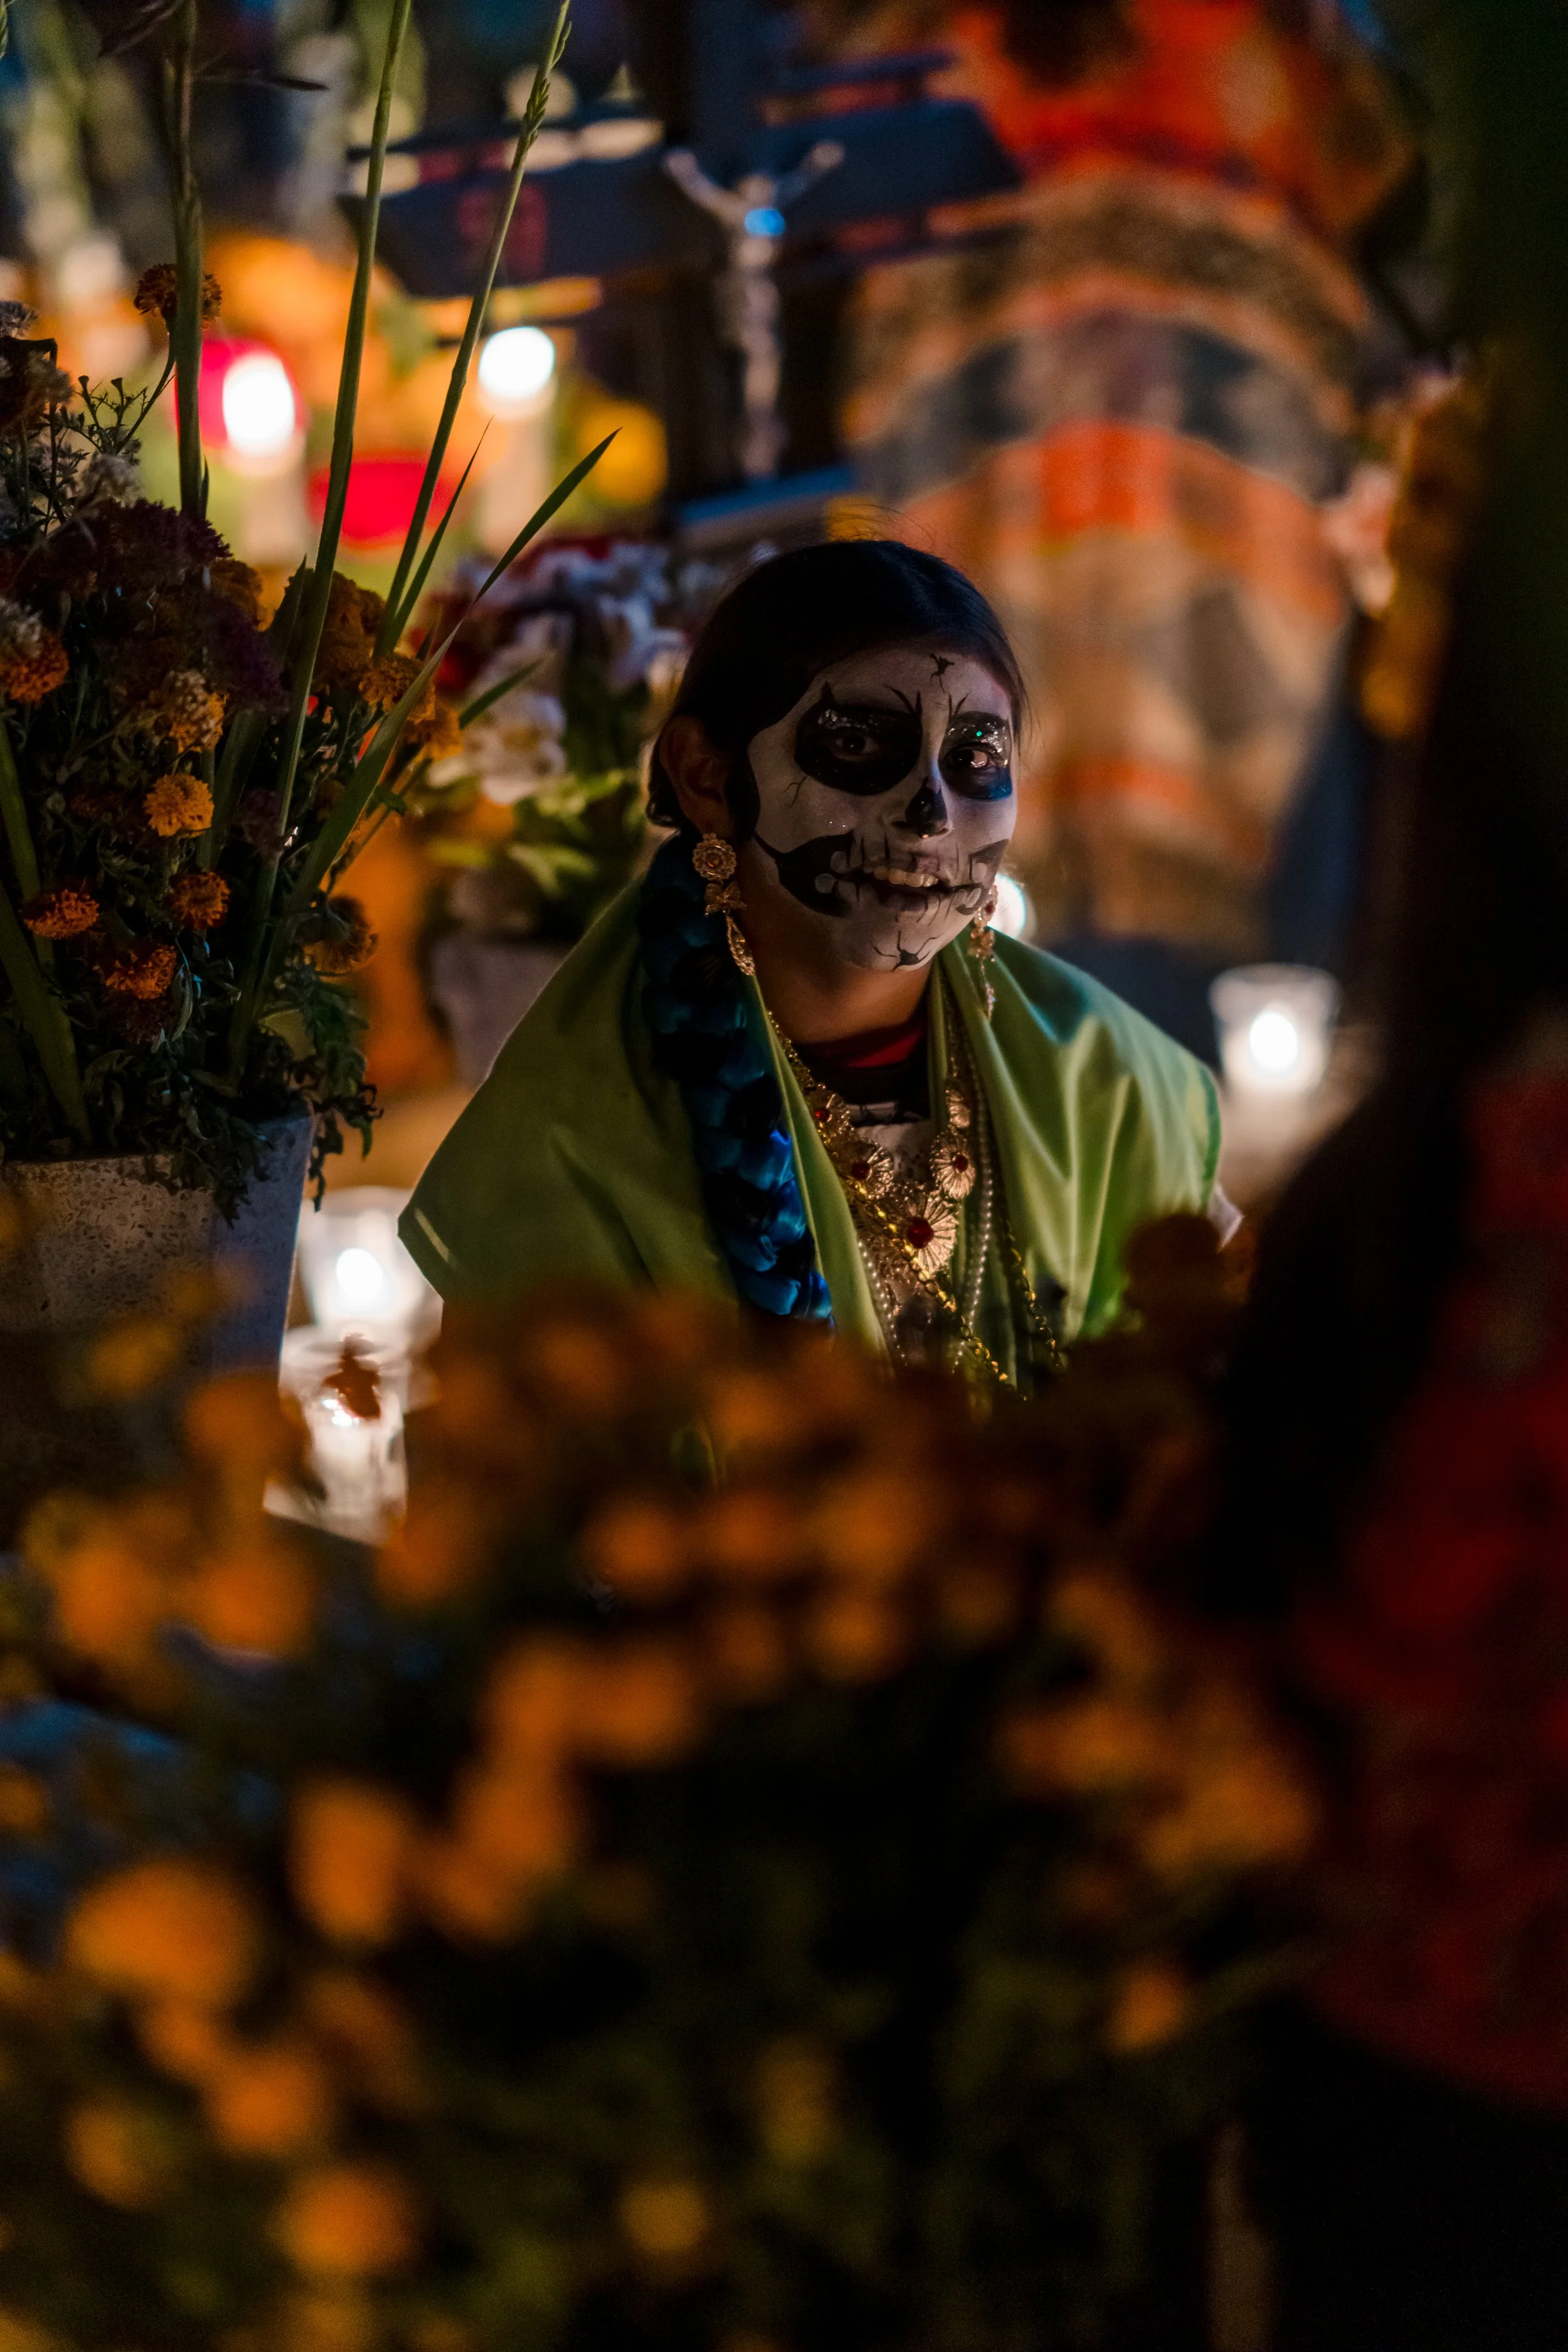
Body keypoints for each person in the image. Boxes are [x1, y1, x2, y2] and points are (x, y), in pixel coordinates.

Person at [402, 540, 1221, 1380]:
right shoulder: (572, 1147)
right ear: (705, 776)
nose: (931, 813)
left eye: (975, 757)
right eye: (860, 744)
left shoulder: (1110, 1084)